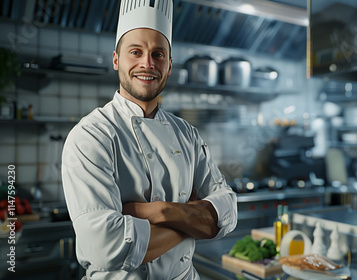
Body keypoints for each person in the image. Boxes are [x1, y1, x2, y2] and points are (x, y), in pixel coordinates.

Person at [61, 0, 238, 279]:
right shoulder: (91, 135)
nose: (147, 63)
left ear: (169, 65)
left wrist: (160, 210)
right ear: (116, 59)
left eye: (158, 54)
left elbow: (227, 210)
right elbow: (105, 248)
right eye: (136, 51)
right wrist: (192, 218)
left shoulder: (187, 134)